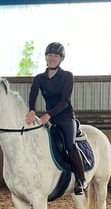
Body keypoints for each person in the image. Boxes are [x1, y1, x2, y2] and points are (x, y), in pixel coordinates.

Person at [24, 42, 88, 195]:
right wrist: (32, 109)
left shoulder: (67, 76)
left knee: (70, 144)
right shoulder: (39, 78)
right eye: (50, 55)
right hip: (50, 119)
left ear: (61, 59)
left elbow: (65, 100)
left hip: (65, 117)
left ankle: (82, 179)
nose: (52, 58)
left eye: (56, 56)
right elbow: (33, 95)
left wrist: (48, 115)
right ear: (46, 57)